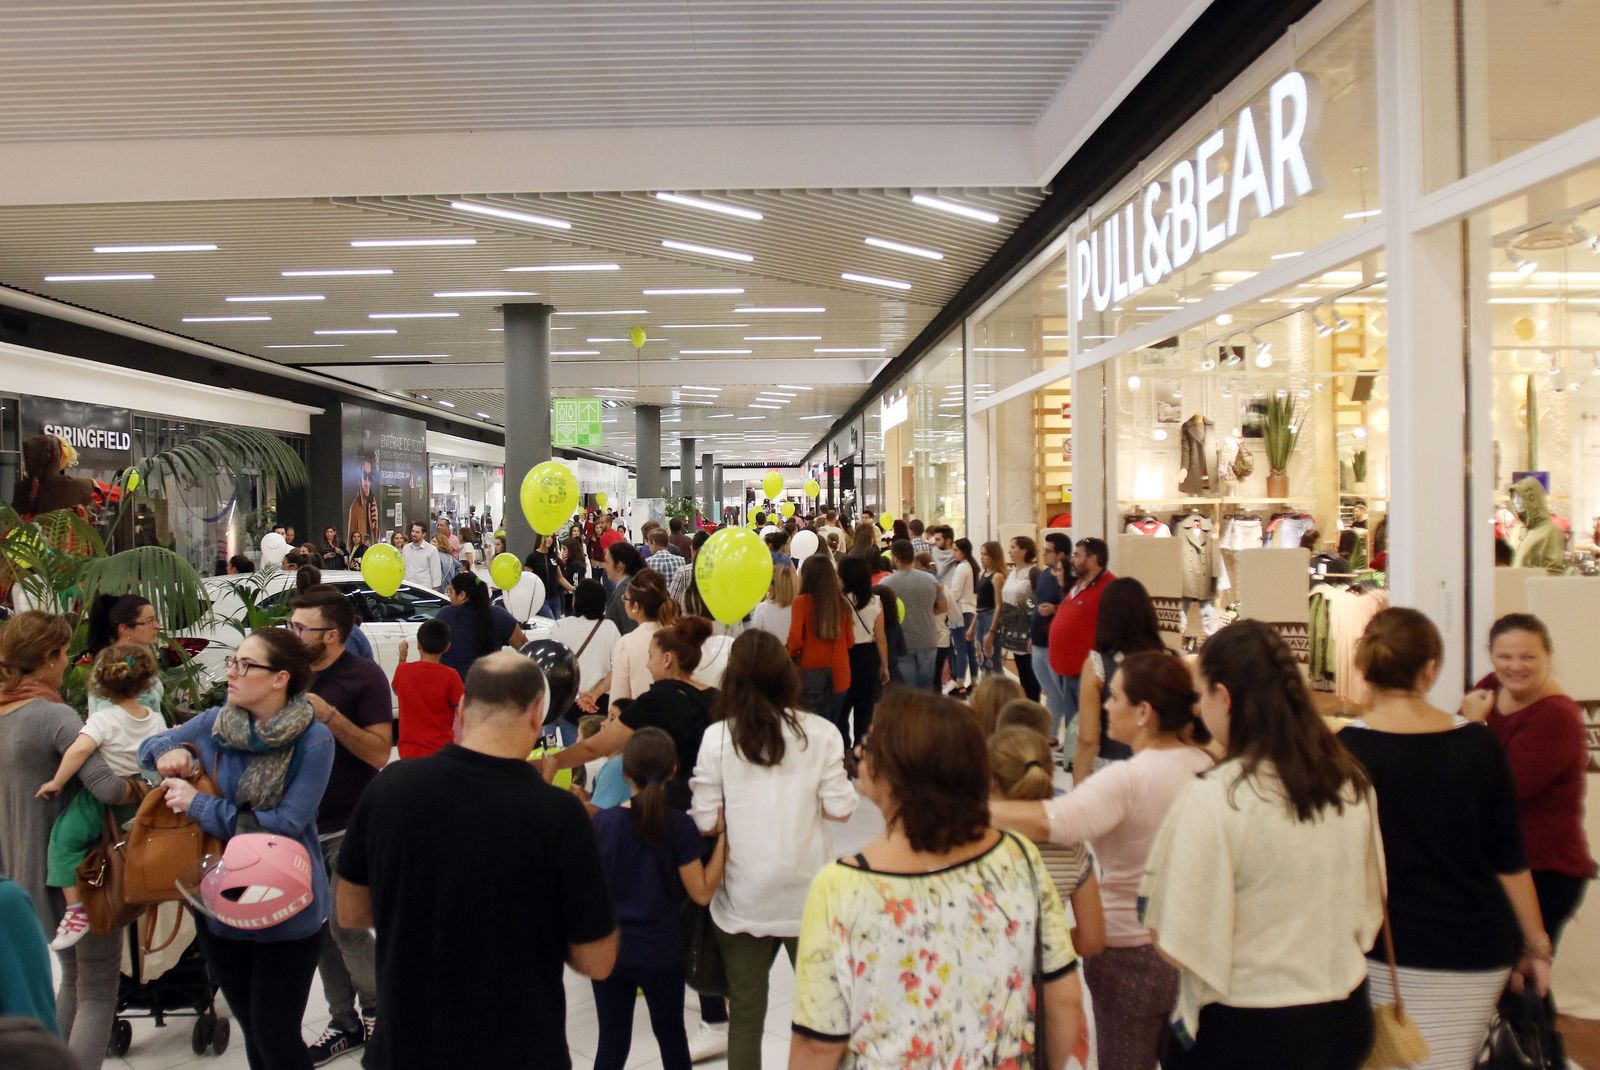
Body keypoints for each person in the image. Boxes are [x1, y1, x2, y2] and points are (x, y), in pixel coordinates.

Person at [335, 652, 618, 1070]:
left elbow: (349, 910)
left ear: (462, 709)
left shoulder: (390, 788)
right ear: (537, 715)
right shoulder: (559, 815)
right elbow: (597, 959)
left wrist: (427, 914)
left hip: (407, 1046)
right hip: (518, 1048)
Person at [789, 688, 1083, 1070]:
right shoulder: (1018, 856)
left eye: (870, 743)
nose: (859, 752)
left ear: (900, 771)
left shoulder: (841, 888)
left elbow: (817, 1045)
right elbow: (1063, 997)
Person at [1139, 621, 1381, 1069]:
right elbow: (1371, 907)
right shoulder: (1349, 781)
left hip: (1248, 1025)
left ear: (1224, 697)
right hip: (1343, 1011)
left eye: (1201, 694)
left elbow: (1175, 940)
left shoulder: (1217, 796)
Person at [1340, 608, 1551, 1068]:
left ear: (1366, 667)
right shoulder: (1479, 745)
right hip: (1476, 949)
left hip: (1382, 950)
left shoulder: (1345, 753)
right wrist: (1537, 946)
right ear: (1431, 668)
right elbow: (1509, 859)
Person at [992, 652, 1213, 1070]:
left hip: (1130, 953)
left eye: (1114, 697)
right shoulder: (1205, 765)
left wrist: (961, 811)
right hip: (1192, 947)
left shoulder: (1129, 779)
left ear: (1144, 711)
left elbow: (1056, 821)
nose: (1106, 705)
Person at [139, 629, 334, 1070]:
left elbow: (285, 824)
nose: (232, 672)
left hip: (288, 903)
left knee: (276, 1034)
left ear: (280, 678)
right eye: (233, 661)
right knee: (253, 1031)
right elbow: (149, 749)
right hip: (221, 902)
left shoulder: (314, 739)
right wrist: (170, 751)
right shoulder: (215, 723)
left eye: (246, 665)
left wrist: (199, 805)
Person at [539, 617, 730, 1057]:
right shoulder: (715, 698)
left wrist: (552, 762)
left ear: (668, 658)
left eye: (650, 656)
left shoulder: (659, 699)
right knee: (699, 915)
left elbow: (598, 745)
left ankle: (712, 1015)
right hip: (705, 816)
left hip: (664, 817)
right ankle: (712, 1000)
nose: (646, 663)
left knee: (662, 903)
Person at [689, 631, 857, 1070]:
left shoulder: (717, 738)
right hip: (809, 897)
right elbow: (841, 809)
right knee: (826, 1017)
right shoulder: (821, 733)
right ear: (787, 675)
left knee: (746, 1015)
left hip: (743, 897)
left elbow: (704, 821)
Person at [0, 612, 138, 1070]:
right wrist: (145, 786)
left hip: (20, 874)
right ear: (47, 658)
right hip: (80, 875)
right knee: (97, 988)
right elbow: (106, 787)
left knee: (74, 982)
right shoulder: (54, 715)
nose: (66, 664)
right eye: (62, 654)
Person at [287, 587, 393, 1066]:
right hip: (298, 824)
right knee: (318, 932)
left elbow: (378, 752)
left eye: (300, 628)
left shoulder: (363, 678)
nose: (292, 634)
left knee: (346, 926)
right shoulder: (290, 673)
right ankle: (344, 1021)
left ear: (331, 635)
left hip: (349, 821)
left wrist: (328, 716)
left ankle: (380, 1012)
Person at [592, 728, 727, 1070]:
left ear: (625, 772)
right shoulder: (679, 827)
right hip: (661, 952)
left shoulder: (604, 823)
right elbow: (702, 892)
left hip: (611, 951)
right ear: (673, 770)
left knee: (611, 1044)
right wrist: (724, 840)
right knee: (672, 1040)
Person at [1461, 613, 1595, 952]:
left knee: (1523, 973)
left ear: (1549, 655)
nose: (1515, 666)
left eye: (1528, 657)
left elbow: (1500, 789)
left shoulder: (1557, 716)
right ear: (1491, 654)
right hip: (1501, 865)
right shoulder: (1490, 687)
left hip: (1544, 870)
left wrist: (1476, 727)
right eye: (1505, 656)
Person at [35, 645, 166, 950]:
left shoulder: (103, 719)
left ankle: (76, 910)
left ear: (101, 683)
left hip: (103, 797)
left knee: (64, 841)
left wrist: (57, 781)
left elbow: (80, 750)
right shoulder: (155, 720)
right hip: (141, 797)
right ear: (147, 682)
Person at [988, 726, 1106, 958]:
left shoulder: (970, 842)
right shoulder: (1071, 848)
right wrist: (1042, 944)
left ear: (990, 783)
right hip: (1046, 974)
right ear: (1049, 775)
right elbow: (1091, 941)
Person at [1074, 577, 1166, 783]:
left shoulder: (1097, 665)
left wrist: (1079, 785)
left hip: (1114, 771)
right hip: (1161, 767)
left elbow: (1088, 739)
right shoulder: (1169, 660)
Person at [1047, 537, 1114, 746]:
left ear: (1093, 559)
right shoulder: (1079, 584)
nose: (1072, 560)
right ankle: (1072, 754)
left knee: (1086, 720)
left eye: (1077, 555)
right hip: (1068, 667)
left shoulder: (1109, 587)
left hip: (1088, 668)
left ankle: (1086, 755)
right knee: (1073, 720)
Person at [788, 557, 853, 723]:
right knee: (835, 723)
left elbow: (795, 640)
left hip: (811, 675)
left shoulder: (801, 603)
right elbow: (850, 641)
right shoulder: (842, 603)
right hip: (840, 674)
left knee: (814, 727)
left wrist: (788, 653)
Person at [835, 556, 888, 749]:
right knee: (865, 709)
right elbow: (880, 637)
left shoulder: (837, 601)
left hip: (843, 654)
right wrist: (885, 666)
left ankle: (845, 748)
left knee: (842, 707)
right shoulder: (875, 601)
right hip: (868, 656)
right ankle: (861, 747)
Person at [880, 539, 947, 691]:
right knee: (926, 686)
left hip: (903, 641)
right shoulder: (931, 580)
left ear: (895, 557)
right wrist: (925, 611)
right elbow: (943, 607)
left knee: (908, 688)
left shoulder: (886, 583)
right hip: (928, 638)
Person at [435, 573, 526, 684]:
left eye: (450, 591)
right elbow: (526, 648)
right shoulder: (499, 615)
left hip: (452, 687)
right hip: (489, 687)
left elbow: (432, 653)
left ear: (462, 595)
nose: (449, 596)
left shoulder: (445, 615)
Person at [392, 619, 464, 759]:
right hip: (441, 752)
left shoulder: (403, 671)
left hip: (408, 752)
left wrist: (402, 658)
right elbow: (463, 710)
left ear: (418, 644)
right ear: (447, 647)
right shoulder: (450, 675)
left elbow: (396, 690)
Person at [82, 593, 165, 713]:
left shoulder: (136, 659)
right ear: (124, 629)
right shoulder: (115, 664)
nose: (157, 626)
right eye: (149, 621)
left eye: (155, 619)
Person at [608, 571, 678, 704]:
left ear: (635, 606)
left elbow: (619, 699)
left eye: (626, 598)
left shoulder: (626, 644)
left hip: (640, 713)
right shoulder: (678, 637)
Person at [556, 580, 623, 720]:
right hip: (600, 703)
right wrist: (593, 695)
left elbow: (555, 669)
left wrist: (579, 696)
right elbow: (618, 669)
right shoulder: (609, 628)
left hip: (567, 702)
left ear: (576, 601)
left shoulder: (559, 626)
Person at [994, 536, 1042, 701]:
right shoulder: (1012, 573)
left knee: (1031, 674)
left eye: (1013, 547)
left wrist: (1033, 631)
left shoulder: (1033, 573)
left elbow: (1037, 602)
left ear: (1024, 550)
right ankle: (1026, 704)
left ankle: (1033, 706)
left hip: (1027, 629)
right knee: (1022, 671)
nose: (1009, 551)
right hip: (1012, 628)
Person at [942, 536, 978, 697]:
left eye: (956, 550)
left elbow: (955, 593)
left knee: (960, 648)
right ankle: (974, 681)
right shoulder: (970, 566)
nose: (953, 553)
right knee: (969, 648)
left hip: (960, 611)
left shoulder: (962, 568)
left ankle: (960, 683)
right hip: (969, 610)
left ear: (963, 551)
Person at [969, 539, 1005, 677]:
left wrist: (992, 631)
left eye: (985, 554)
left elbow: (999, 606)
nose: (982, 557)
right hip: (981, 617)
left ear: (993, 556)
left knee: (992, 658)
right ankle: (986, 685)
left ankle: (999, 687)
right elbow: (979, 605)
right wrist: (972, 626)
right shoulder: (982, 575)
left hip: (991, 617)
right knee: (981, 658)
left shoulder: (997, 577)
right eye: (981, 554)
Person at [602, 542, 646, 635]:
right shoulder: (628, 586)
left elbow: (630, 628)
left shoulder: (625, 592)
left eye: (607, 562)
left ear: (619, 565)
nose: (605, 567)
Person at [749, 564, 798, 641]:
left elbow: (753, 638)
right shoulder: (799, 609)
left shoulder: (763, 609)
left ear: (774, 585)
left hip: (769, 648)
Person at [400, 522, 441, 591]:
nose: (413, 534)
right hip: (407, 589)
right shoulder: (406, 548)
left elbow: (436, 574)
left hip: (423, 590)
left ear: (423, 534)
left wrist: (435, 590)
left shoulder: (431, 550)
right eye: (413, 531)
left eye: (417, 532)